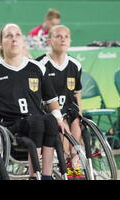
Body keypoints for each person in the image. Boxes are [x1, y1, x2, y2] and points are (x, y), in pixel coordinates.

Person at [0, 23, 67, 180]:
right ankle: (34, 175)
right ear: (1, 43)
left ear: (23, 41)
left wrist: (58, 116)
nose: (14, 39)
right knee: (37, 121)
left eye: (17, 35)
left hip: (37, 123)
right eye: (9, 36)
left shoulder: (38, 69)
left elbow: (52, 101)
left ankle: (47, 175)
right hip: (9, 127)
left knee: (49, 119)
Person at [36, 25, 83, 179]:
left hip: (68, 107)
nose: (63, 39)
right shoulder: (40, 65)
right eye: (58, 36)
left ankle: (75, 162)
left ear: (70, 41)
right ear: (49, 40)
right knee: (62, 123)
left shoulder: (75, 65)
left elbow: (77, 92)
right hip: (48, 110)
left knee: (76, 120)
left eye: (66, 36)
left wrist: (80, 113)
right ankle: (64, 160)